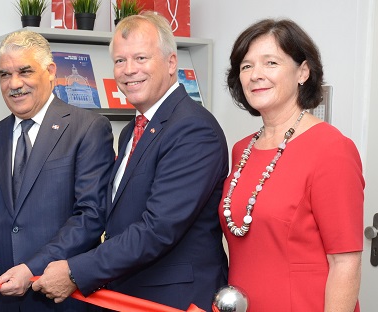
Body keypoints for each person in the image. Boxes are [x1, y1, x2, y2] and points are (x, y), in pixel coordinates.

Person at [32, 12, 229, 311]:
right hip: (132, 293)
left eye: (140, 58)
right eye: (120, 61)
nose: (128, 70)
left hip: (174, 299)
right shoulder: (131, 131)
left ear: (172, 63)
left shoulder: (192, 128)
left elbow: (158, 228)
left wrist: (75, 271)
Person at [0, 30, 114, 312]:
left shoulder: (88, 129)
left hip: (64, 299)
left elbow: (89, 216)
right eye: (5, 74)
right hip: (5, 301)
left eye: (24, 71)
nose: (14, 84)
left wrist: (32, 269)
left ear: (50, 71)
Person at [220, 18, 363, 311]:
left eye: (270, 63)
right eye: (246, 66)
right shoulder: (241, 150)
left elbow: (345, 262)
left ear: (303, 72)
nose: (256, 75)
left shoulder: (332, 149)